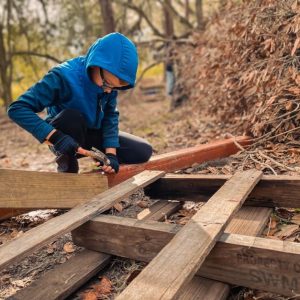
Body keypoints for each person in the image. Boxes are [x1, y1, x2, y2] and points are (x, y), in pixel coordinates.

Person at [7, 32, 152, 174]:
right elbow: (17, 108)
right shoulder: (62, 76)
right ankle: (68, 169)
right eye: (107, 84)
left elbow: (110, 117)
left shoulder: (109, 86)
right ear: (95, 64)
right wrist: (57, 138)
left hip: (91, 134)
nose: (109, 91)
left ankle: (102, 163)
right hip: (64, 136)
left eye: (115, 88)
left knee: (142, 151)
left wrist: (111, 154)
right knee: (72, 117)